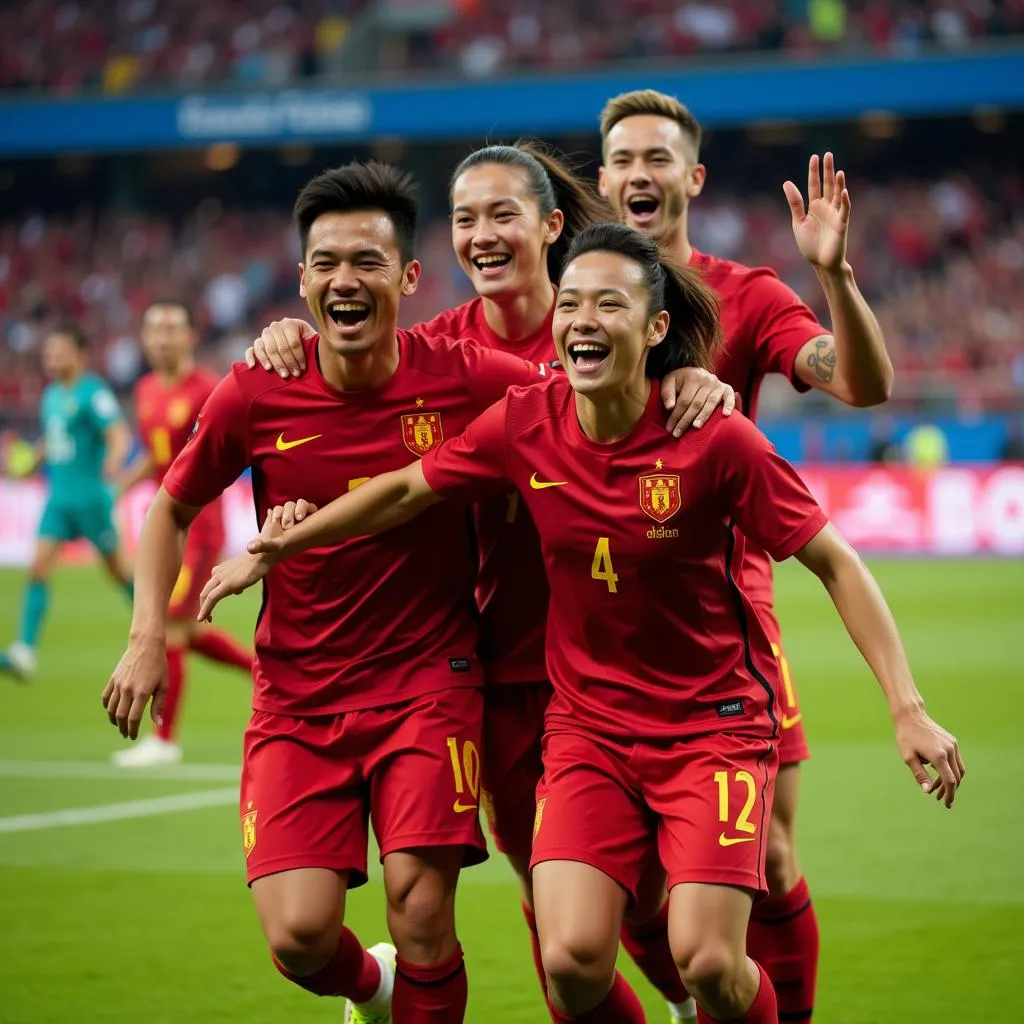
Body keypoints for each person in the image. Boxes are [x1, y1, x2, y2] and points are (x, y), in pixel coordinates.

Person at [199, 222, 964, 1024]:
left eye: (609, 304)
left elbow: (837, 561)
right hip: (588, 733)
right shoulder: (526, 421)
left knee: (709, 964)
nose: (582, 321)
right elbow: (402, 490)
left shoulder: (713, 437)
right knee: (568, 963)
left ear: (656, 328)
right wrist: (279, 545)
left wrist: (907, 708)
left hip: (712, 728)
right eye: (570, 305)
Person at [245, 141, 734, 1021]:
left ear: (551, 227)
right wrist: (292, 336)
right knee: (564, 924)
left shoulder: (606, 332)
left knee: (664, 905)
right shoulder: (435, 355)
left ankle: (694, 998)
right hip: (508, 668)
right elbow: (375, 432)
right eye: (465, 218)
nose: (482, 235)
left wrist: (691, 376)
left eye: (502, 214)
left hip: (640, 668)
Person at [101, 160, 566, 1024]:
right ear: (304, 279)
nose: (346, 280)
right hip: (298, 696)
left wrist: (688, 378)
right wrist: (142, 641)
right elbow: (170, 507)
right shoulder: (256, 387)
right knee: (299, 939)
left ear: (408, 278)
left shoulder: (465, 375)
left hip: (431, 680)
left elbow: (587, 399)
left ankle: (414, 980)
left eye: (367, 262)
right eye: (326, 264)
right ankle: (373, 989)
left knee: (421, 909)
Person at [598, 88, 896, 1021]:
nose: (639, 174)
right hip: (593, 624)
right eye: (623, 160)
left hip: (725, 623)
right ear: (602, 181)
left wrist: (836, 279)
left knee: (764, 857)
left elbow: (859, 385)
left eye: (658, 158)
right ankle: (689, 1004)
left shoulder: (747, 296)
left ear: (692, 176)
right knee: (622, 887)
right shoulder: (566, 295)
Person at [111, 299, 253, 768]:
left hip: (198, 526)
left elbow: (221, 457)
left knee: (168, 626)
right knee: (185, 631)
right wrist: (122, 488)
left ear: (191, 336)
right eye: (154, 329)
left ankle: (164, 739)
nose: (162, 338)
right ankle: (265, 669)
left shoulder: (208, 391)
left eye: (172, 328)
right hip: (162, 524)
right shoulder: (147, 389)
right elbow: (157, 456)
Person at [1, 325, 133, 681]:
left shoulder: (93, 392)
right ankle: (25, 650)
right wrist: (28, 463)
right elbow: (52, 437)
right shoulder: (52, 396)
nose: (51, 359)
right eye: (48, 353)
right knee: (38, 567)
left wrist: (114, 460)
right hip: (58, 499)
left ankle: (156, 625)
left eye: (58, 351)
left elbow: (119, 431)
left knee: (119, 570)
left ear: (79, 354)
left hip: (90, 499)